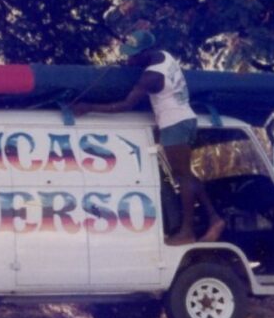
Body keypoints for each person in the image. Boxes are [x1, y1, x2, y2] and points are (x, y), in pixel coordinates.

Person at [71, 30, 225, 245]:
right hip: (185, 119)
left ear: (146, 52)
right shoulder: (165, 56)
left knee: (182, 177)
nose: (129, 59)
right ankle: (215, 219)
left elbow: (125, 105)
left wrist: (89, 107)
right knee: (186, 175)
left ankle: (187, 232)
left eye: (133, 55)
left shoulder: (151, 77)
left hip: (174, 123)